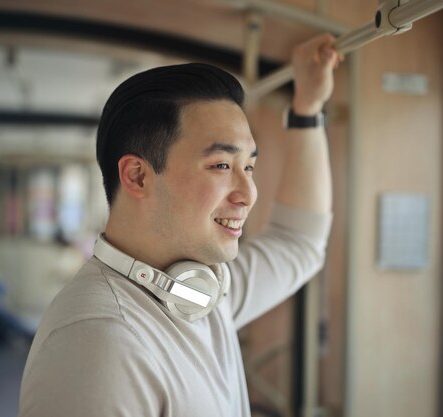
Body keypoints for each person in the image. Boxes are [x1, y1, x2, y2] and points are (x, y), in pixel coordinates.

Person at [18, 34, 341, 417]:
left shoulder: (196, 296)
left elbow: (297, 241)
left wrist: (308, 107)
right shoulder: (99, 344)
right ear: (137, 176)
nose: (248, 193)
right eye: (221, 165)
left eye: (248, 167)